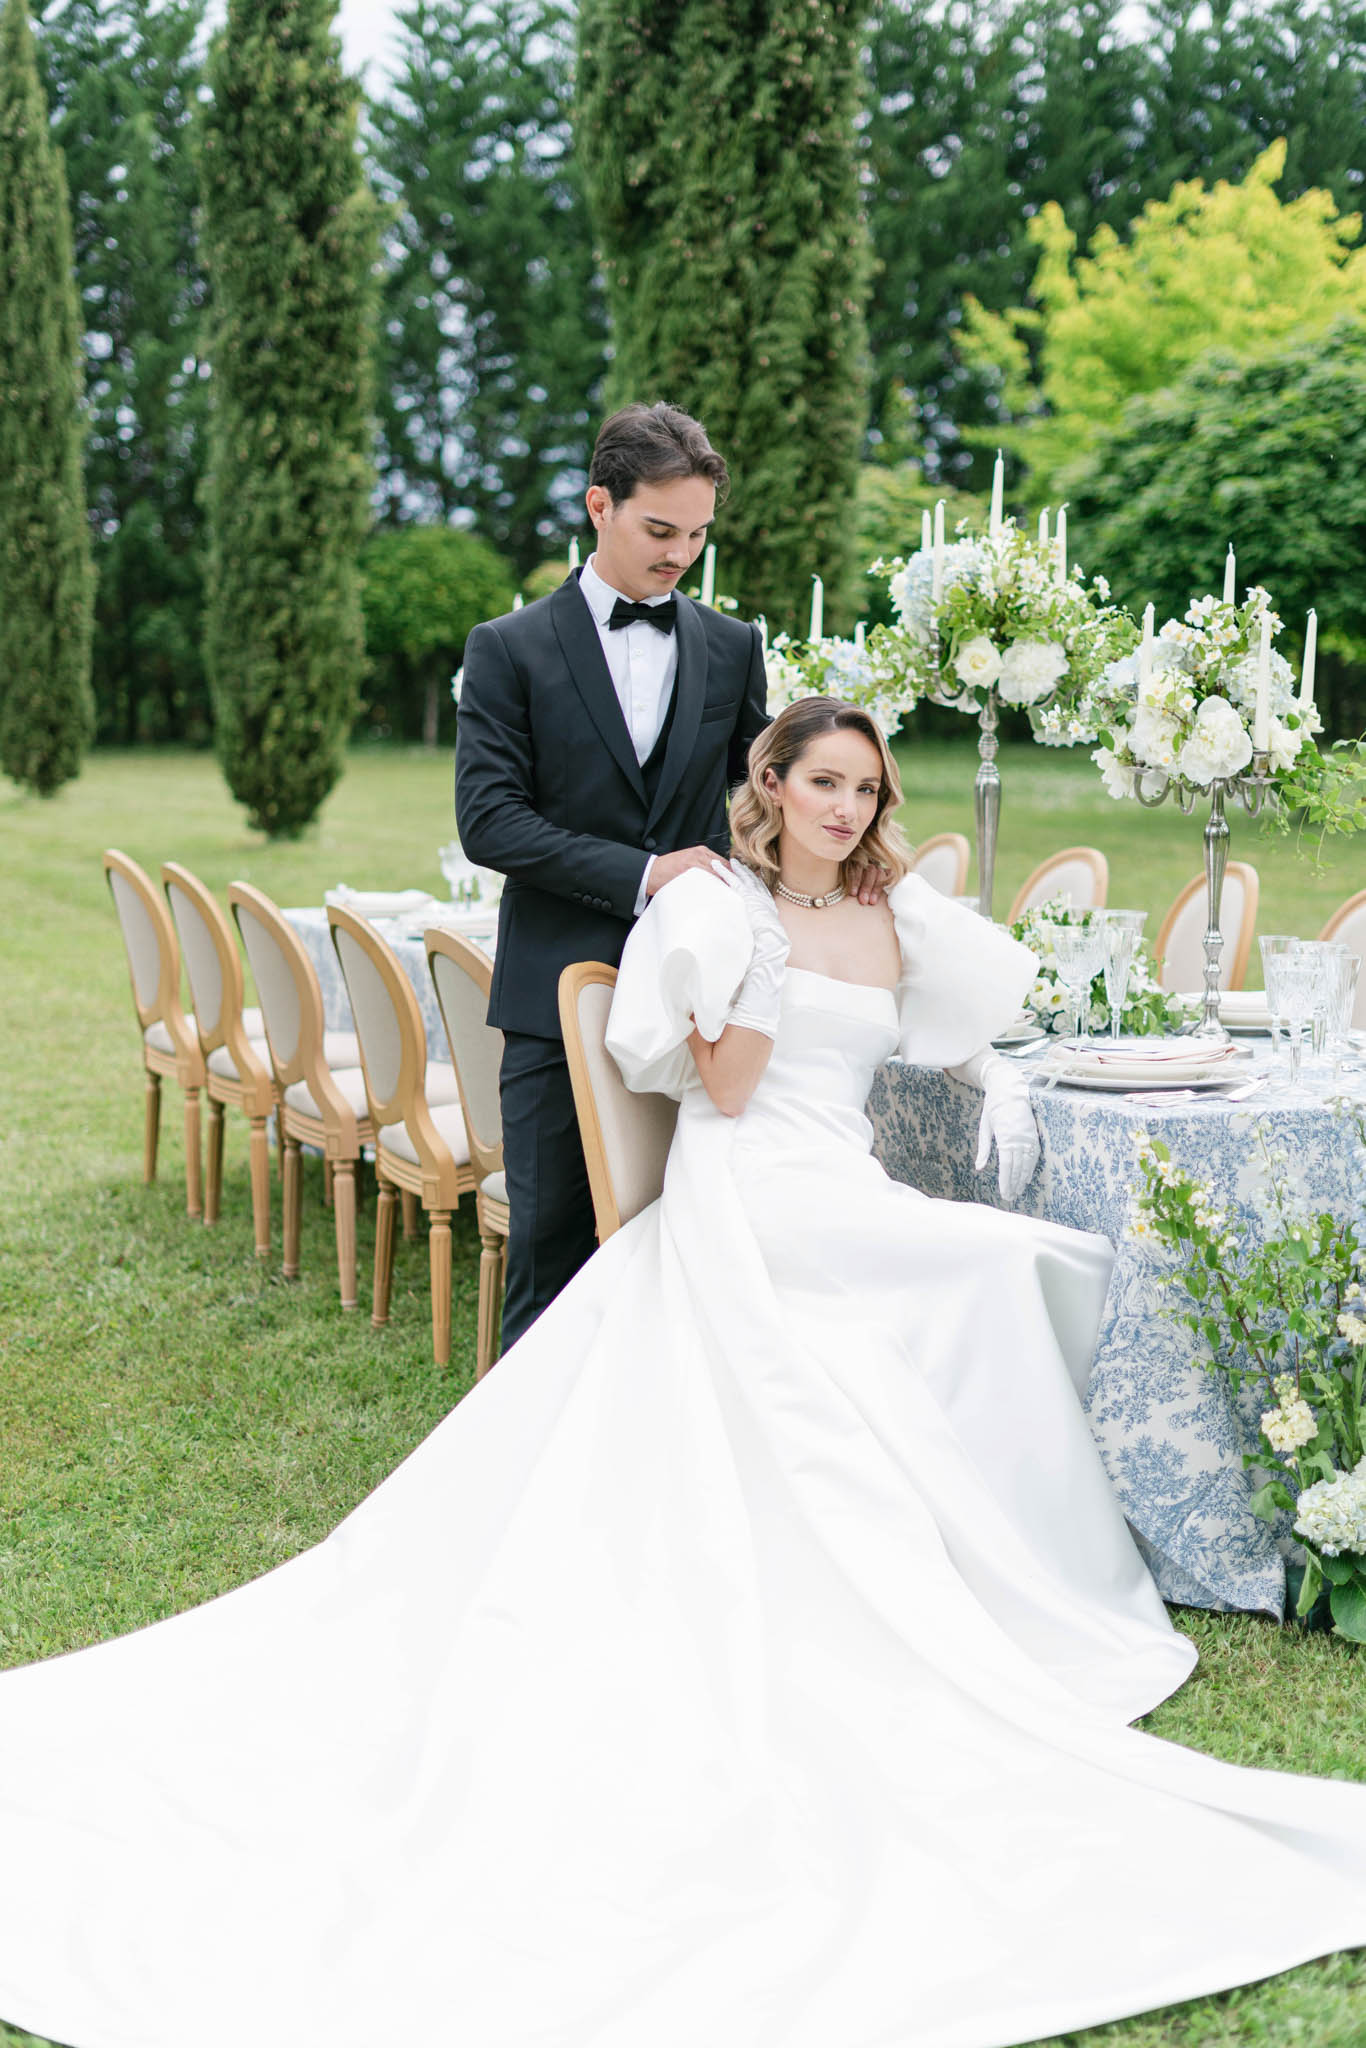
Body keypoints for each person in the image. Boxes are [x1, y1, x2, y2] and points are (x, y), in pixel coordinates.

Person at [1, 697, 1365, 2048]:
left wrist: (904, 930)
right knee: (1008, 1271)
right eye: (823, 784)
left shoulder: (888, 911)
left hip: (836, 1174)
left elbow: (973, 1017)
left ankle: (1014, 1568)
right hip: (754, 1175)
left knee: (1015, 1266)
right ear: (767, 785)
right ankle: (1019, 1579)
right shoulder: (719, 913)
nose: (847, 811)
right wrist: (763, 962)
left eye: (868, 794)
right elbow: (711, 1088)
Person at [454, 399, 768, 1349]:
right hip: (556, 993)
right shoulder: (507, 649)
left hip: (697, 1001)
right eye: (659, 530)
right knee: (548, 1247)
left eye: (699, 536)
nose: (680, 555)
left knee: (685, 1232)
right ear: (600, 505)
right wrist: (646, 874)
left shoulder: (729, 647)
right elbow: (489, 823)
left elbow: (757, 804)